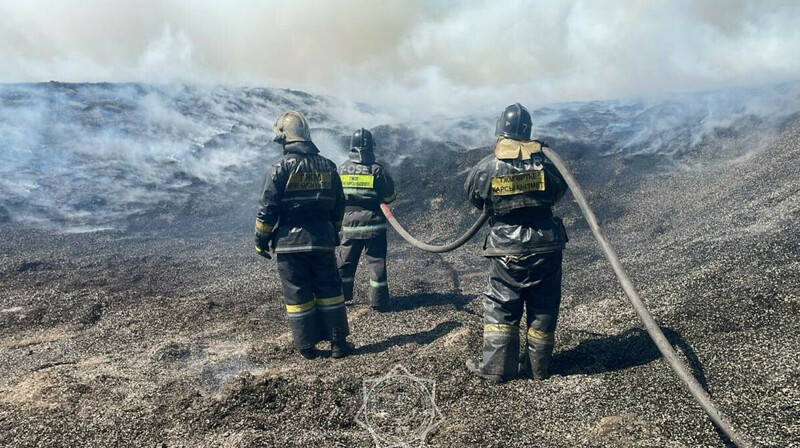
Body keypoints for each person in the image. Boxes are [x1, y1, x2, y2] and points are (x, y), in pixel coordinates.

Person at [464, 103, 569, 382]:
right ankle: (538, 370)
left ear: (501, 130)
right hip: (546, 245)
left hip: (506, 249)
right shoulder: (547, 163)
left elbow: (474, 194)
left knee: (502, 305)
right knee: (544, 304)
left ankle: (498, 370)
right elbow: (560, 189)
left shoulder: (488, 166)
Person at [254, 110, 354, 359]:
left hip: (289, 244)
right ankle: (338, 343)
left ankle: (306, 345)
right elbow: (339, 205)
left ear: (286, 138)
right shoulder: (329, 167)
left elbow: (268, 210)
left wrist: (261, 241)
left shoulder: (279, 169)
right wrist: (334, 232)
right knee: (330, 290)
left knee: (297, 293)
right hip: (322, 241)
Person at [336, 128, 397, 310]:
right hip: (374, 225)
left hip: (349, 224)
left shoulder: (341, 169)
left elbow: (335, 196)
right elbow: (390, 195)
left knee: (345, 262)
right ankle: (379, 302)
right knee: (377, 263)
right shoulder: (377, 170)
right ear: (371, 147)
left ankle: (341, 296)